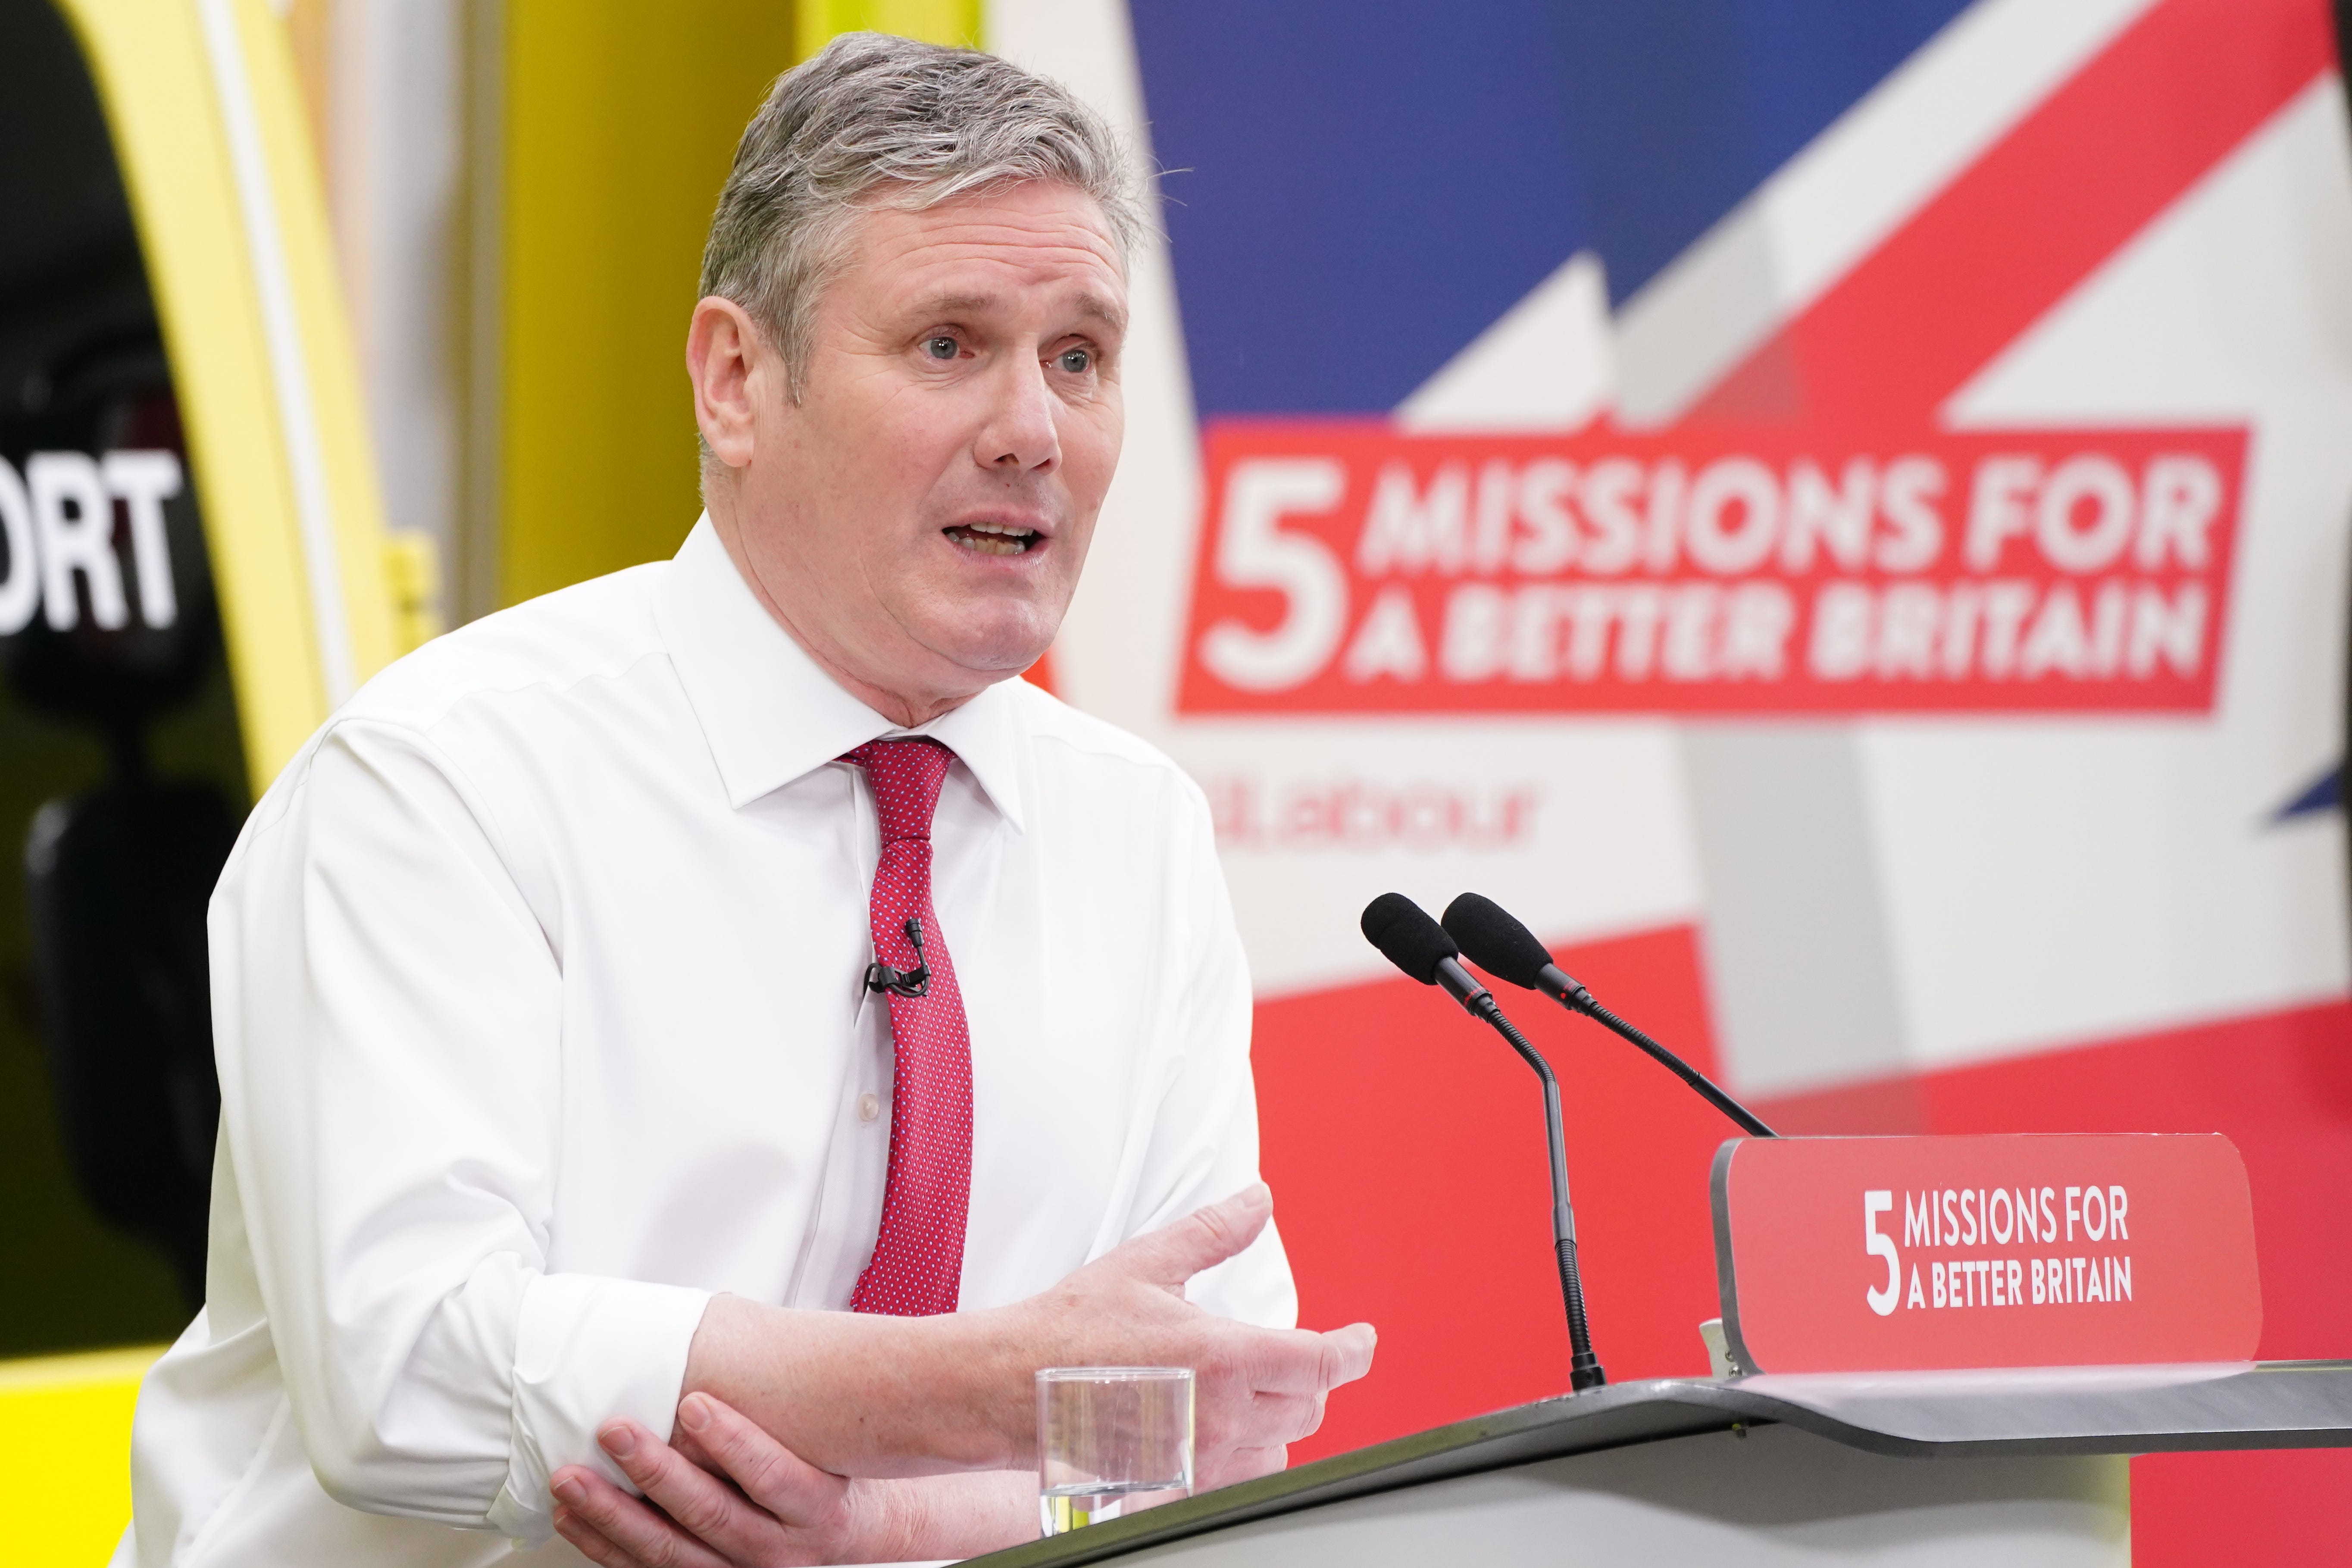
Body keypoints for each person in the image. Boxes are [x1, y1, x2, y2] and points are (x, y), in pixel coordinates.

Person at [116, 33, 1374, 1568]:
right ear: (735, 379)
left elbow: (1206, 1438)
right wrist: (960, 1392)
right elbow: (410, 1375)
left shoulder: (1138, 833)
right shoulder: (446, 778)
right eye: (947, 345)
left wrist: (868, 1523)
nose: (1033, 433)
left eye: (1079, 358)